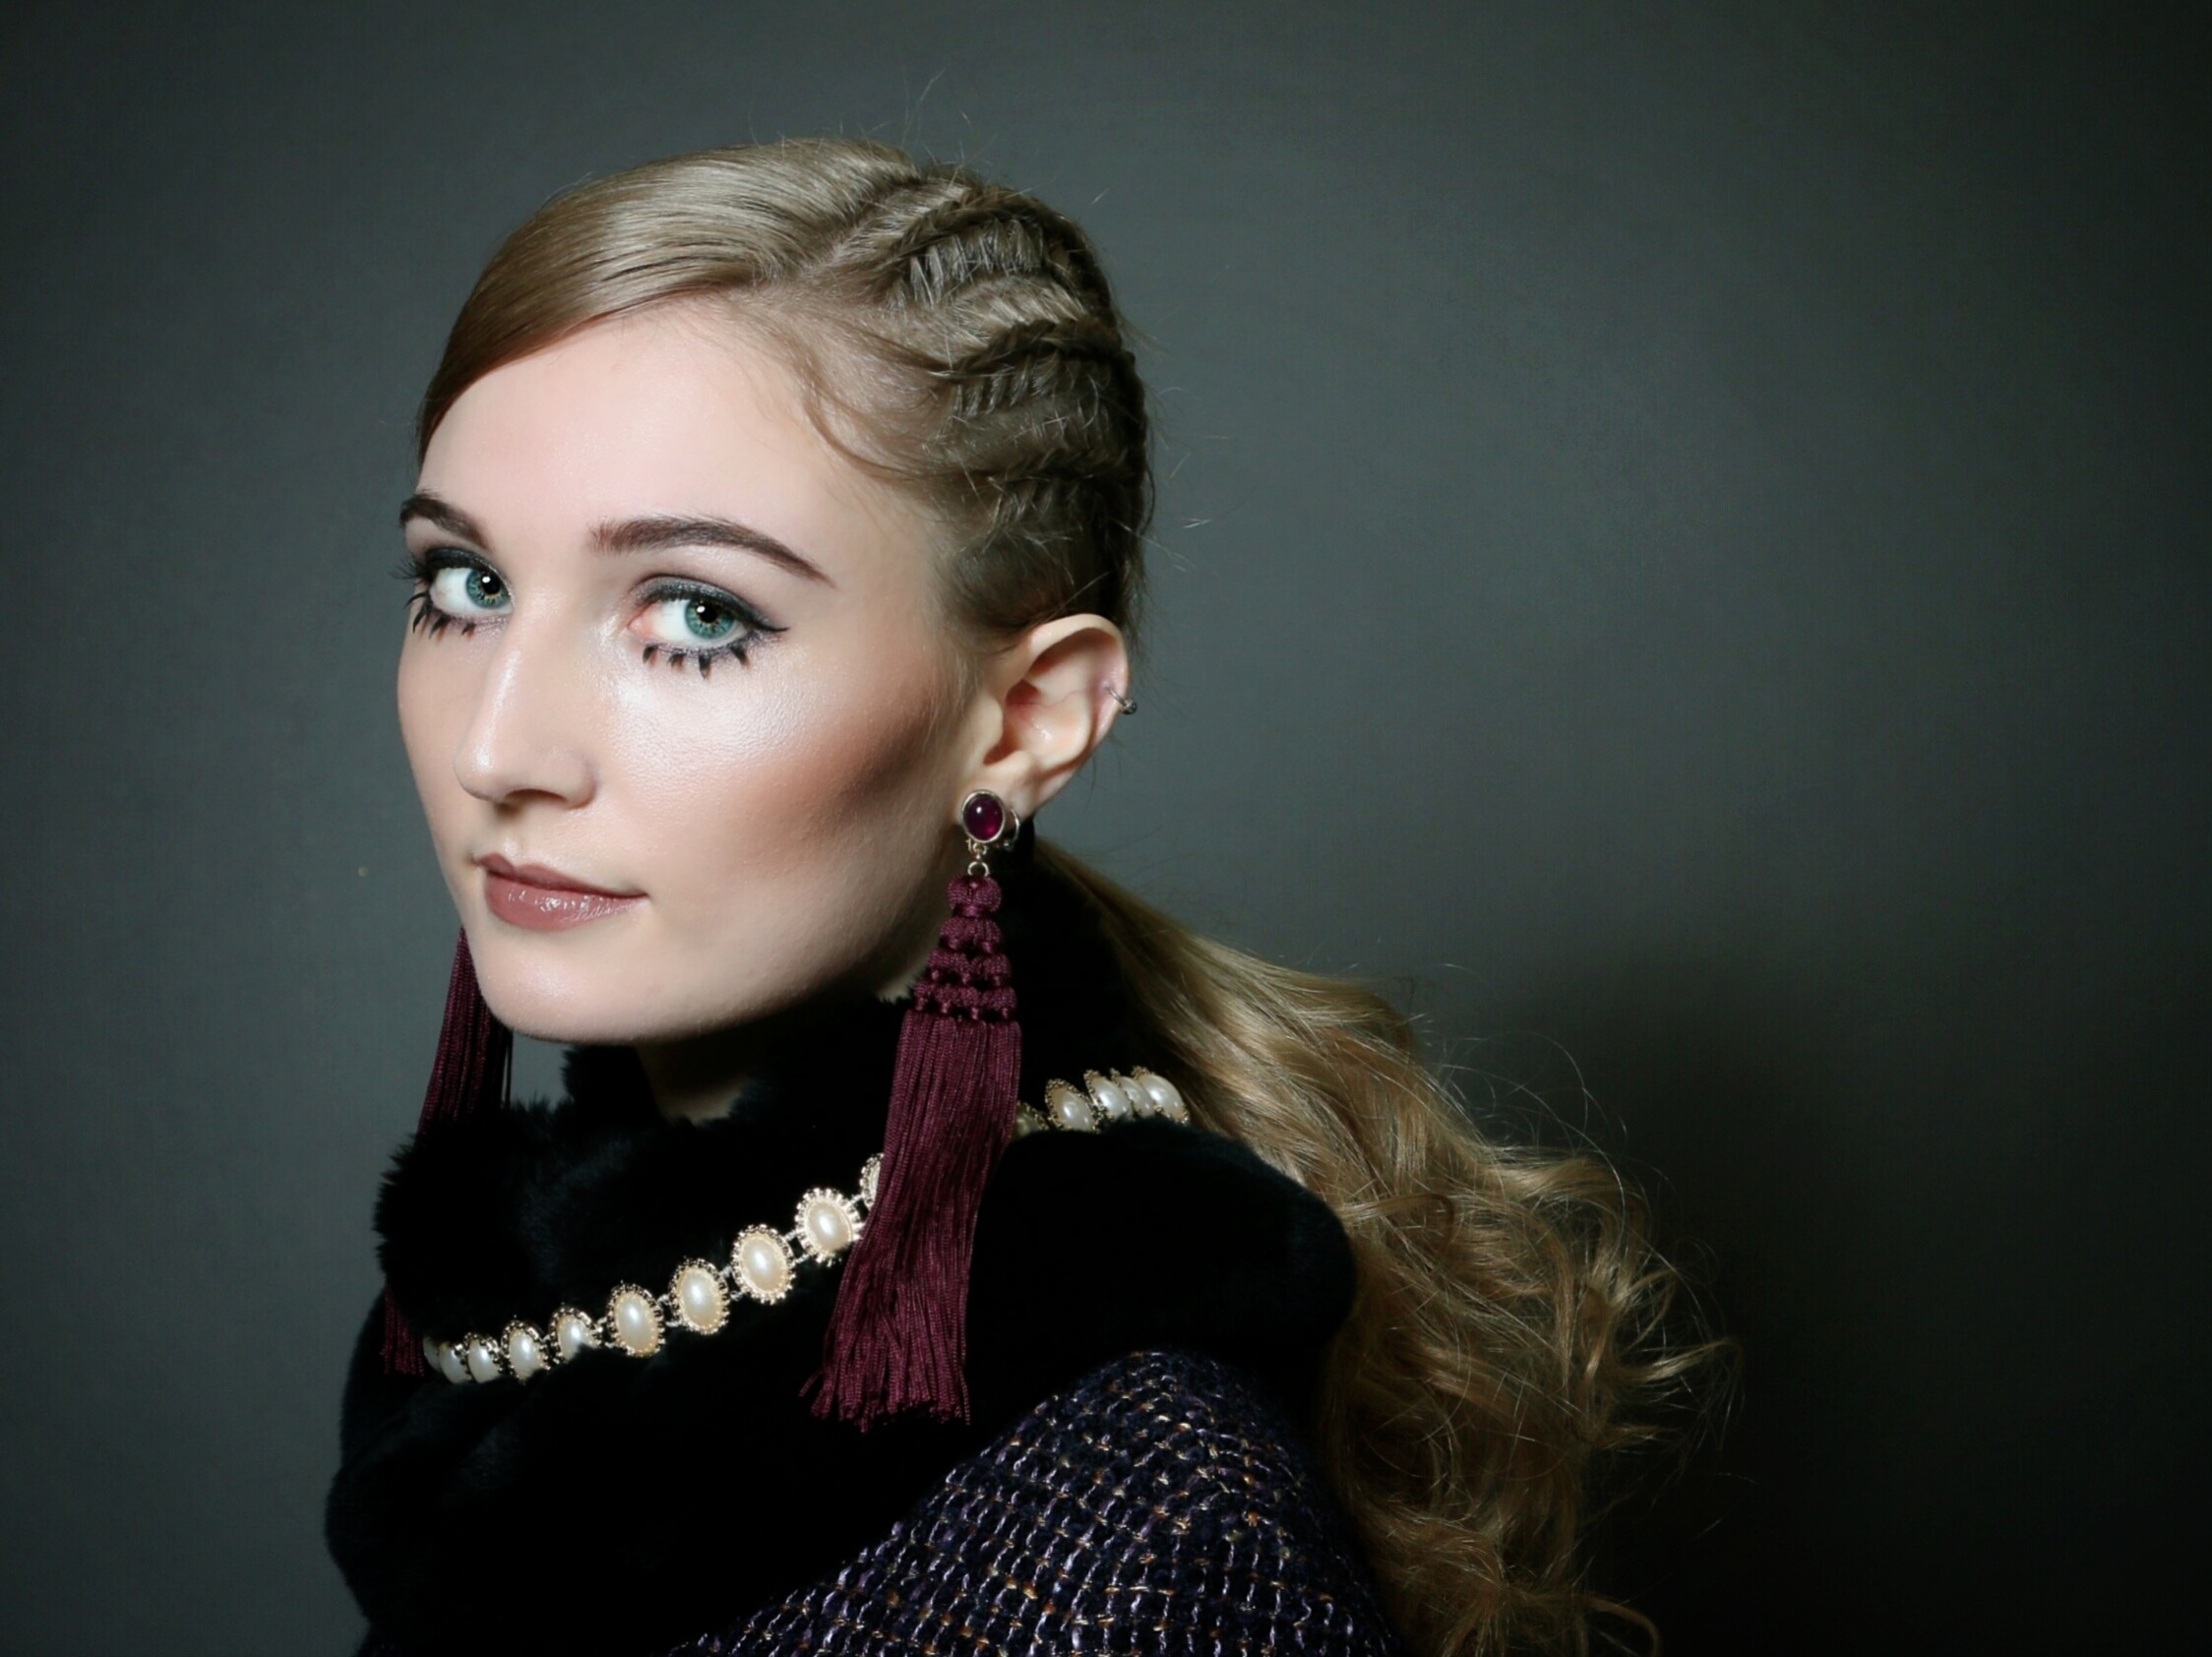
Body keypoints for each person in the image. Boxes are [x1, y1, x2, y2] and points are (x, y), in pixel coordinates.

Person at [325, 138, 1694, 1657]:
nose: (498, 749)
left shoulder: (1147, 1546)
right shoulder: (511, 1340)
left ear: (1030, 718)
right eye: (466, 587)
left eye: (699, 615)